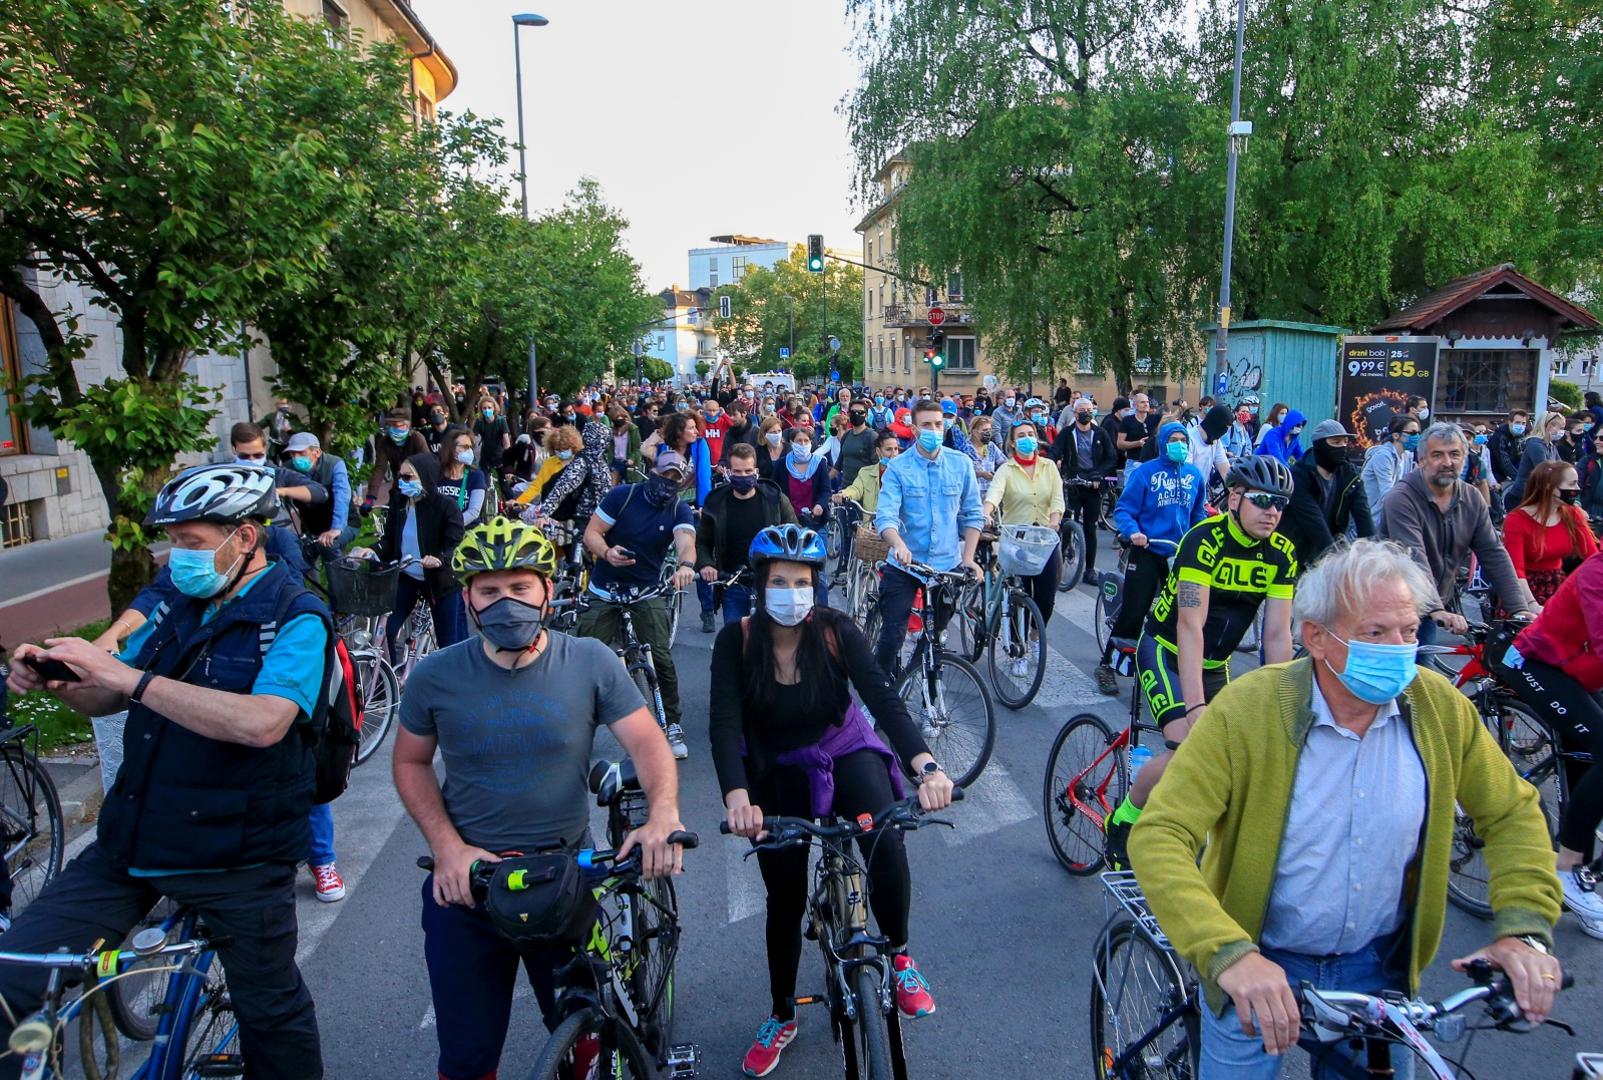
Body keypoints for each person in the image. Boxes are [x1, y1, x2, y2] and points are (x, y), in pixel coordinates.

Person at [1130, 539, 1564, 1077]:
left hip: (1376, 970)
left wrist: (1523, 928)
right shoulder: (1250, 708)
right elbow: (1161, 833)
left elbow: (1513, 812)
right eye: (1375, 633)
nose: (1399, 649)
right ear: (1315, 637)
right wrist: (1227, 954)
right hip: (1258, 956)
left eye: (1408, 631)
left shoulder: (1438, 707)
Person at [2, 464, 329, 1077]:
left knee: (272, 1013)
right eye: (173, 542)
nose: (177, 557)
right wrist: (61, 679)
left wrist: (133, 680)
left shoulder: (296, 613)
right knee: (13, 972)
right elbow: (107, 695)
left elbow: (264, 722)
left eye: (192, 543)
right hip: (135, 838)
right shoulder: (178, 601)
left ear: (246, 538)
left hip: (239, 854)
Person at [395, 518, 687, 1080]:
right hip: (468, 885)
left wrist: (663, 815)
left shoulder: (589, 661)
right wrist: (446, 847)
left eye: (520, 587)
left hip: (565, 877)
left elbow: (649, 743)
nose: (506, 602)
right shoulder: (435, 674)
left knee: (583, 1044)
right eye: (490, 590)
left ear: (548, 590)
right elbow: (409, 763)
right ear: (469, 599)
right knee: (466, 1059)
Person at [713, 524, 953, 1077]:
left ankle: (899, 955)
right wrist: (737, 797)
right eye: (779, 580)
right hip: (777, 770)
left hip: (843, 749)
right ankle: (781, 1014)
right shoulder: (738, 641)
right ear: (761, 584)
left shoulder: (836, 631)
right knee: (784, 894)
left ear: (816, 586)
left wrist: (927, 768)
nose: (792, 592)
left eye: (802, 581)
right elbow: (724, 726)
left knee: (885, 840)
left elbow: (884, 701)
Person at [1103, 455, 1298, 869]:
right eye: (1262, 500)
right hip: (1166, 651)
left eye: (1280, 503)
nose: (1272, 511)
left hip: (1215, 664)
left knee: (1231, 759)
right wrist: (1194, 708)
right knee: (1187, 749)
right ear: (1233, 498)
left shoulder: (1282, 553)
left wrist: (1280, 704)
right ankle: (1126, 817)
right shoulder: (1203, 540)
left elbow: (1278, 637)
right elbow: (1190, 627)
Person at [1493, 550, 1603, 940]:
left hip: (1579, 673)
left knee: (1591, 752)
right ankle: (1568, 867)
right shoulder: (1597, 574)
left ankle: (1578, 851)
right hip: (1535, 662)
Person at [579, 452, 698, 759]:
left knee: (659, 656)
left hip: (646, 590)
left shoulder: (678, 509)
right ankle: (575, 725)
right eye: (664, 475)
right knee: (582, 656)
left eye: (675, 478)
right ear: (651, 471)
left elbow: (686, 541)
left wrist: (685, 565)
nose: (668, 483)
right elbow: (592, 532)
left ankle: (671, 724)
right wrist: (606, 552)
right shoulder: (623, 495)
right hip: (605, 588)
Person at [1381, 423, 1531, 643]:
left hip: (1434, 600)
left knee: (1428, 673)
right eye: (1437, 455)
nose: (1447, 462)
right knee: (1403, 672)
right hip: (1392, 605)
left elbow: (1493, 553)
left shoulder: (1471, 498)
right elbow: (1413, 556)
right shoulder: (1402, 498)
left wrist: (1518, 608)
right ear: (1422, 460)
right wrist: (1435, 609)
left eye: (1454, 454)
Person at [1094, 422, 1209, 696]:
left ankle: (1169, 668)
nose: (1180, 444)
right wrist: (1134, 532)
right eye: (1174, 440)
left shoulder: (1194, 476)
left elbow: (1198, 515)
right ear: (1164, 442)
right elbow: (1124, 510)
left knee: (1179, 615)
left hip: (1178, 555)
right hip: (1147, 551)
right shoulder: (1146, 473)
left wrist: (1200, 536)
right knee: (1134, 609)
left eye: (1184, 440)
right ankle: (1108, 665)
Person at [872, 399, 985, 675]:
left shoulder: (961, 464)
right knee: (893, 635)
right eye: (926, 425)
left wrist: (968, 558)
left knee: (935, 640)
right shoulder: (899, 467)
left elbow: (972, 514)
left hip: (946, 565)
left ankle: (925, 693)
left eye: (938, 424)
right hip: (906, 565)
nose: (934, 429)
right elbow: (885, 516)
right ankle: (878, 698)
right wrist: (898, 544)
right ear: (914, 428)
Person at [372, 453, 465, 664]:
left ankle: (453, 685)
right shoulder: (399, 502)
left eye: (408, 477)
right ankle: (388, 679)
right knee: (387, 628)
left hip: (440, 582)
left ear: (426, 476)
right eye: (400, 477)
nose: (402, 482)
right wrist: (370, 551)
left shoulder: (445, 506)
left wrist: (440, 559)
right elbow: (389, 540)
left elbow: (455, 542)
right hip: (408, 576)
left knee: (449, 643)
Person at [697, 444, 798, 628]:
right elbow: (702, 542)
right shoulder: (716, 502)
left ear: (756, 471)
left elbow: (795, 534)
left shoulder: (774, 498)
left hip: (772, 584)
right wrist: (706, 564)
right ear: (727, 472)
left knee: (773, 641)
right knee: (735, 640)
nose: (743, 476)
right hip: (733, 583)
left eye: (748, 471)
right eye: (737, 472)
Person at [984, 420, 1065, 624]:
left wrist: (1054, 522)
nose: (1027, 439)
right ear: (1012, 443)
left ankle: (1037, 634)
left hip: (1044, 539)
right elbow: (994, 494)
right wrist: (986, 513)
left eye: (1030, 434)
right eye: (1021, 436)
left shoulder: (1049, 467)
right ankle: (1015, 642)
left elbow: (1057, 500)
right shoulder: (1006, 470)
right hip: (1017, 539)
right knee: (1017, 593)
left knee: (1046, 596)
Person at [1498, 460, 1598, 617]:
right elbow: (1516, 570)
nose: (1577, 489)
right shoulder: (1516, 520)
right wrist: (1531, 605)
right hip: (1525, 591)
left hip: (1558, 585)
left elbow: (1593, 557)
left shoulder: (1572, 514)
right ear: (1549, 487)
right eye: (1572, 484)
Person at [1279, 419, 1373, 567]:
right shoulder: (1299, 476)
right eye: (1336, 442)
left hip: (1330, 549)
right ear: (1320, 445)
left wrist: (1371, 556)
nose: (1342, 447)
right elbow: (1314, 522)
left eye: (1344, 442)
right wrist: (1335, 561)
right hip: (1294, 552)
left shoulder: (1349, 474)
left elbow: (1363, 514)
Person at [1050, 398, 1116, 586]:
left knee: (1090, 527)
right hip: (1073, 483)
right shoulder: (1067, 433)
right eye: (1082, 410)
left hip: (1093, 486)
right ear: (1075, 413)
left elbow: (1111, 458)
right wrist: (1051, 465)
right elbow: (1055, 451)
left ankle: (1089, 570)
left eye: (1089, 409)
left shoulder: (1100, 433)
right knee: (1068, 523)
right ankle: (1059, 565)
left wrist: (1099, 475)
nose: (1086, 413)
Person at [282, 432, 354, 565]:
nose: (296, 458)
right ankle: (306, 585)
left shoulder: (334, 464)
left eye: (301, 453)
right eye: (292, 454)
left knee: (328, 546)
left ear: (317, 452)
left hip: (344, 522)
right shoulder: (287, 469)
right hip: (310, 526)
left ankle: (343, 581)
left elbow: (342, 497)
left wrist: (336, 528)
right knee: (298, 556)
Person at [1360, 415, 1421, 534]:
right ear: (1396, 435)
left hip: (1384, 520)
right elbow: (1387, 494)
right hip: (1369, 520)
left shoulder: (1406, 456)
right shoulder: (1383, 456)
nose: (1417, 437)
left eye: (1418, 433)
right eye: (1412, 433)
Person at [363, 408, 431, 511]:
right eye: (390, 425)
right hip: (398, 487)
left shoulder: (417, 439)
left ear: (407, 426)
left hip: (419, 487)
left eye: (397, 426)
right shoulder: (384, 442)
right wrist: (370, 497)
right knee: (391, 518)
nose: (393, 429)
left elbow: (427, 464)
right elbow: (380, 468)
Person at [1504, 410, 1566, 510]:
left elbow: (1562, 466)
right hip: (1521, 497)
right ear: (1549, 427)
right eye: (1561, 428)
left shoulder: (1550, 446)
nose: (1562, 432)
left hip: (1534, 496)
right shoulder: (1535, 445)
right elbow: (1545, 471)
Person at [778, 427, 831, 534]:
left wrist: (820, 504)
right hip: (789, 522)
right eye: (799, 441)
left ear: (811, 442)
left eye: (806, 441)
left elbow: (825, 490)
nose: (803, 444)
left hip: (815, 521)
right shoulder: (782, 464)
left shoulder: (820, 463)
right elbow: (776, 490)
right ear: (792, 443)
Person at [436, 426, 489, 532]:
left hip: (468, 530)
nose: (469, 451)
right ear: (450, 448)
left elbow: (474, 511)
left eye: (470, 447)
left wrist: (450, 526)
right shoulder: (436, 473)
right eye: (464, 447)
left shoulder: (476, 475)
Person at [1489, 408, 1530, 488]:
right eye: (1517, 423)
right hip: (1496, 476)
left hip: (1509, 476)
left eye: (1523, 423)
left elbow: (1522, 457)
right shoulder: (1499, 437)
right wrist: (1519, 479)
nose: (1520, 426)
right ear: (1510, 422)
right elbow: (1505, 462)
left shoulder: (1520, 436)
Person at [1118, 392, 1160, 466]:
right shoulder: (1127, 420)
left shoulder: (1155, 418)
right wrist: (1138, 443)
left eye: (1147, 402)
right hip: (1133, 461)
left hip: (1152, 461)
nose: (1146, 404)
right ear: (1135, 405)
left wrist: (1181, 408)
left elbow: (1171, 418)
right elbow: (1120, 444)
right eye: (1142, 402)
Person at [965, 414, 1007, 483]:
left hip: (990, 491)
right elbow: (961, 473)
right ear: (974, 432)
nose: (988, 433)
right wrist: (980, 474)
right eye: (985, 430)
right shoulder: (964, 448)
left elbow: (1004, 463)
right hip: (973, 491)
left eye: (990, 430)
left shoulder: (991, 446)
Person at [1579, 427, 1603, 520]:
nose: (1596, 441)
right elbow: (1575, 484)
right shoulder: (1587, 461)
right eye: (1595, 438)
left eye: (1601, 438)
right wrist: (1577, 505)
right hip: (1591, 515)